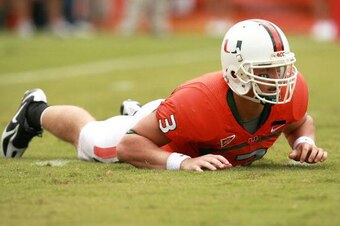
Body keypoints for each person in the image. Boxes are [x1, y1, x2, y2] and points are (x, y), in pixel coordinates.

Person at [1, 19, 328, 171]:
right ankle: (34, 110)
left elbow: (298, 121)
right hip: (169, 135)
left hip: (173, 121)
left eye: (281, 67)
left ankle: (140, 115)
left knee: (147, 124)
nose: (280, 78)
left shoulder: (292, 89)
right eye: (266, 70)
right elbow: (129, 146)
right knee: (95, 141)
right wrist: (181, 162)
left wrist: (304, 143)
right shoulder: (198, 101)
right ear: (236, 72)